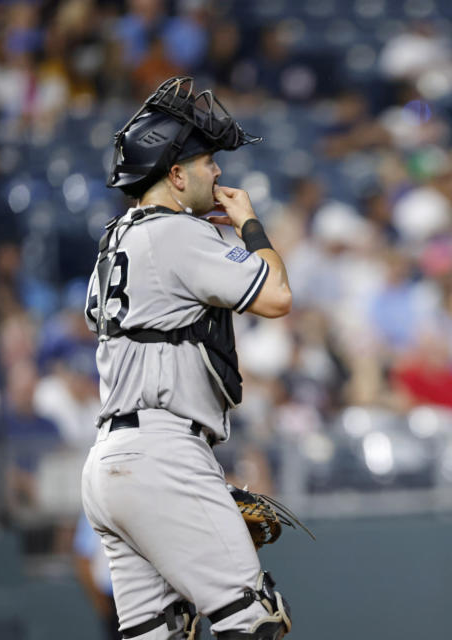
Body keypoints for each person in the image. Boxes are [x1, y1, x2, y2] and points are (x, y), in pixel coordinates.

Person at [81, 77, 293, 640]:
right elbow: (276, 296)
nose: (218, 173)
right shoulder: (174, 234)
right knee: (254, 621)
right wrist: (252, 228)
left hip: (110, 463)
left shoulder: (116, 238)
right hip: (162, 453)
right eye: (206, 162)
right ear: (175, 176)